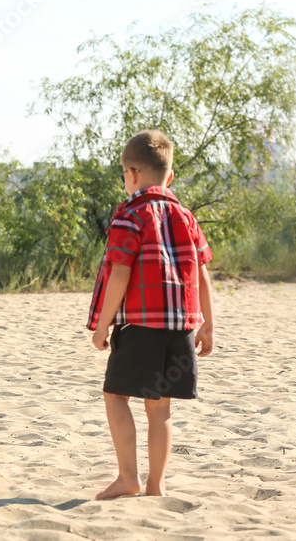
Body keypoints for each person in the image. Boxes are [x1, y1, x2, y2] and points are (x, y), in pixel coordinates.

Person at [88, 129, 215, 500]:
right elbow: (203, 274)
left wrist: (102, 324)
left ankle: (129, 476)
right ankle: (156, 486)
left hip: (141, 325)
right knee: (160, 408)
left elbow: (120, 272)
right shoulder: (186, 216)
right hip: (182, 328)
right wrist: (209, 327)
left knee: (115, 395)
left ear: (131, 174)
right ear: (169, 177)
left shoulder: (130, 215)